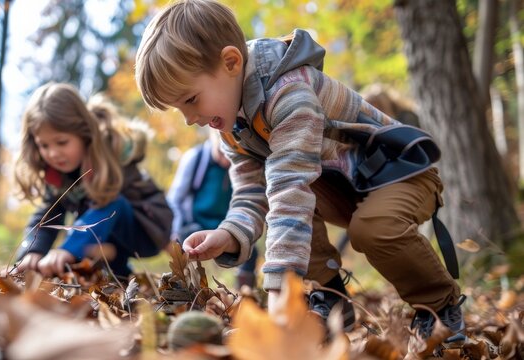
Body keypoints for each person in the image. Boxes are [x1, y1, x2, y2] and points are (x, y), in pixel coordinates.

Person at [134, 0, 465, 343]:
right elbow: (252, 190)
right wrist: (230, 233)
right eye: (179, 109)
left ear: (231, 62)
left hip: (400, 174)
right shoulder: (231, 127)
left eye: (190, 100)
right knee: (298, 203)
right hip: (344, 187)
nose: (189, 119)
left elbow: (290, 190)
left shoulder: (289, 92)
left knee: (368, 228)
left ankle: (439, 310)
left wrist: (280, 293)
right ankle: (331, 301)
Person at [13, 83, 172, 280]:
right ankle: (118, 272)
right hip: (106, 231)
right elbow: (48, 215)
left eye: (61, 142)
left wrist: (67, 249)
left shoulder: (109, 156)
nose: (53, 153)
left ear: (84, 134)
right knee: (85, 230)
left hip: (145, 228)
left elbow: (112, 206)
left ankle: (82, 252)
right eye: (43, 145)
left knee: (109, 204)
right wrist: (32, 251)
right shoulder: (56, 173)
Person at [167, 130, 259, 288]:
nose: (225, 160)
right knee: (184, 245)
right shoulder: (195, 158)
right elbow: (175, 199)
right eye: (221, 153)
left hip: (224, 226)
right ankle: (181, 292)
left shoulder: (240, 166)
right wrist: (175, 230)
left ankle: (246, 296)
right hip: (196, 224)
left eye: (229, 155)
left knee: (251, 251)